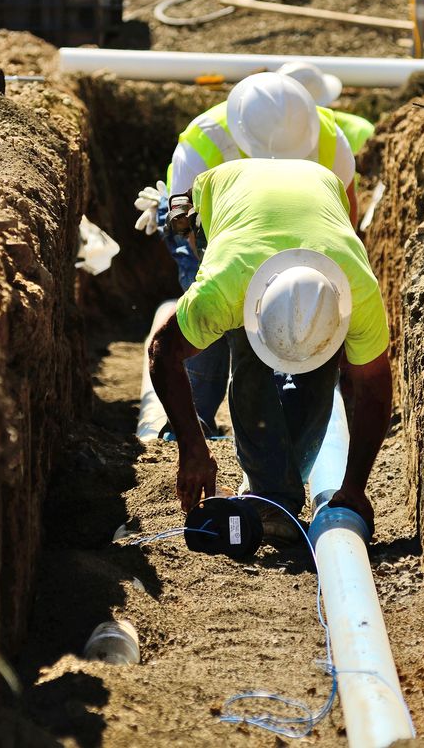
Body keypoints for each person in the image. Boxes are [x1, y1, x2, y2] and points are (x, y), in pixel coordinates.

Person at [148, 157, 392, 546]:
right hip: (226, 195)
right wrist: (193, 448)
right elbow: (162, 351)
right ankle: (272, 492)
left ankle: (276, 495)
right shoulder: (227, 286)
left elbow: (373, 389)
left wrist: (354, 487)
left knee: (322, 368)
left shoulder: (358, 291)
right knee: (247, 358)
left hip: (319, 189)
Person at [135, 71, 361, 436]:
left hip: (295, 229)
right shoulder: (204, 142)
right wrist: (233, 295)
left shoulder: (329, 137)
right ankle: (195, 419)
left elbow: (345, 220)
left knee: (297, 308)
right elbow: (197, 240)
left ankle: (280, 417)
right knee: (206, 313)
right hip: (206, 226)